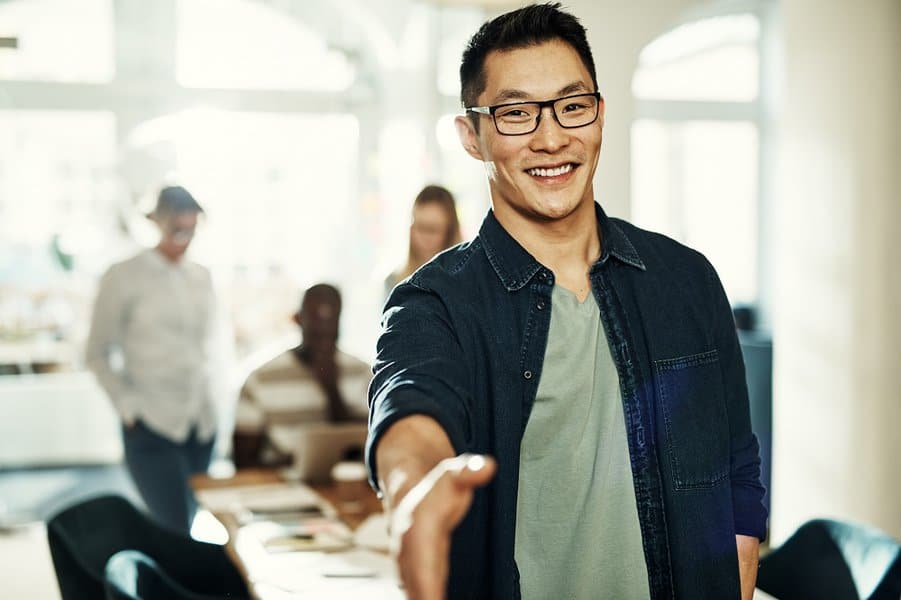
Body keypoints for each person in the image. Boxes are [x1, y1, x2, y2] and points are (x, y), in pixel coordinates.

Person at [366, 4, 767, 600]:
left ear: (600, 115)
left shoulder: (687, 280)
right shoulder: (432, 304)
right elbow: (411, 412)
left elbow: (737, 477)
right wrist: (411, 489)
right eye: (515, 113)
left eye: (571, 106)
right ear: (471, 137)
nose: (551, 138)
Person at [86, 185, 227, 535]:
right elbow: (95, 351)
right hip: (150, 421)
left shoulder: (202, 276)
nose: (185, 233)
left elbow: (209, 347)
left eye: (191, 226)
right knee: (172, 527)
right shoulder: (124, 275)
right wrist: (127, 406)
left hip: (200, 424)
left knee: (192, 522)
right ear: (158, 222)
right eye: (177, 225)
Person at [232, 283, 370, 468]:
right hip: (281, 486)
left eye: (331, 327)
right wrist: (292, 468)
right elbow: (243, 461)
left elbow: (368, 444)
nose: (323, 336)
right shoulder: (261, 379)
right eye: (316, 328)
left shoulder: (362, 373)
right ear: (298, 319)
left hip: (343, 486)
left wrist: (331, 389)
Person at [384, 184, 462, 296]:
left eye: (433, 229)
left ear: (450, 232)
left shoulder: (465, 283)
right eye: (420, 227)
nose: (425, 238)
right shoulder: (393, 282)